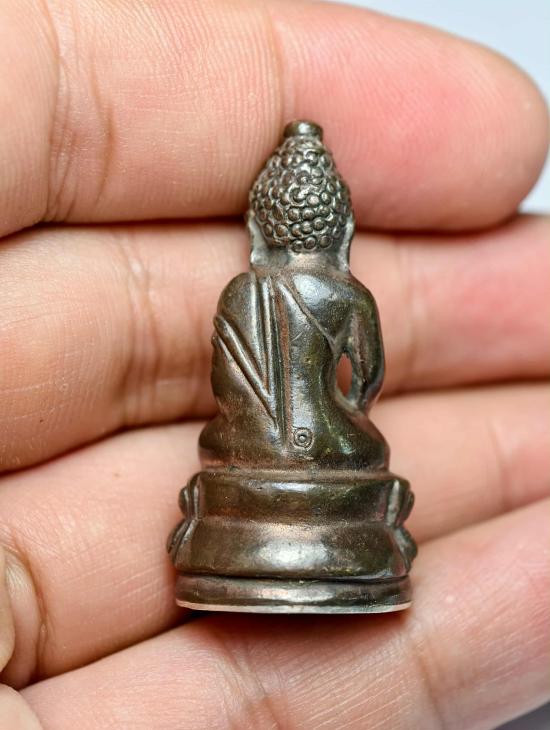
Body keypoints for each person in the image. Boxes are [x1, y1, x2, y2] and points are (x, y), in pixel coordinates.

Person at [0, 0, 548, 727]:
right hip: (332, 448)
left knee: (225, 445)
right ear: (342, 229)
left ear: (262, 228)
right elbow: (368, 384)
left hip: (244, 456)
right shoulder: (347, 293)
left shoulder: (241, 290)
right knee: (364, 447)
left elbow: (227, 388)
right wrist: (335, 424)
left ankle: (231, 539)